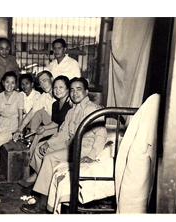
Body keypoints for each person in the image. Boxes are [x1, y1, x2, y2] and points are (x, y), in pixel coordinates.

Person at [20, 77, 107, 214]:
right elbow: (63, 133)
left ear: (86, 91)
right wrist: (48, 143)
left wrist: (91, 156)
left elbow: (101, 135)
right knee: (41, 149)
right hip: (71, 145)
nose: (74, 93)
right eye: (72, 90)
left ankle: (43, 201)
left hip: (83, 148)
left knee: (49, 157)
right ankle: (45, 183)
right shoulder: (72, 111)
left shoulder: (91, 109)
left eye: (78, 89)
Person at [18, 75, 72, 188]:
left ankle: (38, 176)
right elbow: (56, 122)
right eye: (56, 88)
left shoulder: (71, 103)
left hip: (66, 135)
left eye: (61, 87)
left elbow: (65, 127)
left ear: (68, 89)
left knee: (40, 146)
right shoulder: (55, 104)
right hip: (59, 130)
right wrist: (43, 128)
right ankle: (36, 172)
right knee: (39, 135)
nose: (57, 90)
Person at [12, 70, 56, 141]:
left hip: (60, 126)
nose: (43, 85)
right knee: (38, 112)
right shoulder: (44, 96)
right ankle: (30, 138)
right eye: (41, 83)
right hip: (50, 123)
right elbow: (32, 112)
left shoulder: (60, 94)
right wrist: (19, 129)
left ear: (52, 79)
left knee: (40, 134)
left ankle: (31, 139)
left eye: (44, 81)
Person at [0, 38, 20, 128]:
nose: (4, 51)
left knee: (9, 110)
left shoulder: (12, 59)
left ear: (9, 49)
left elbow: (17, 74)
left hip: (10, 88)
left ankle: (8, 129)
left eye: (7, 48)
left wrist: (16, 88)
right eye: (1, 48)